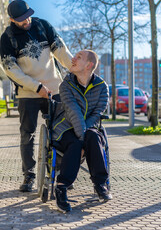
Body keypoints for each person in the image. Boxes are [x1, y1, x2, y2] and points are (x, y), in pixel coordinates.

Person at [0, 0, 73, 192]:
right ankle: (29, 176)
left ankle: (60, 174)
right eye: (21, 20)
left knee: (61, 131)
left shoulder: (43, 26)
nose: (26, 21)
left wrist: (75, 68)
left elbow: (62, 52)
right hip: (27, 92)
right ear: (12, 20)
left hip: (54, 89)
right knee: (27, 134)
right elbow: (11, 70)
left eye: (27, 16)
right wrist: (36, 86)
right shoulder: (7, 38)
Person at [51, 50, 112, 212]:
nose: (73, 59)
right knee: (76, 142)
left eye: (78, 57)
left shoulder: (102, 87)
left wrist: (86, 135)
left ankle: (100, 184)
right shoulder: (66, 85)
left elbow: (98, 113)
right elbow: (73, 112)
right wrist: (82, 137)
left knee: (93, 136)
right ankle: (62, 187)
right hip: (66, 127)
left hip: (90, 127)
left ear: (89, 65)